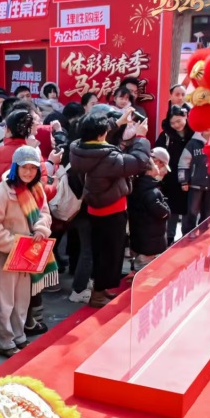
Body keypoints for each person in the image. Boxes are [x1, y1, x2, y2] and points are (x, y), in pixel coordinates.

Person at [70, 113, 151, 308]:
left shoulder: (78, 149)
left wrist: (118, 124)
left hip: (94, 209)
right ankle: (98, 294)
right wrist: (141, 137)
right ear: (100, 135)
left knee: (101, 252)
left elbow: (99, 139)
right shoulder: (108, 158)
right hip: (111, 210)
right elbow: (138, 162)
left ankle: (100, 288)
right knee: (110, 254)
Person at [0, 146, 54, 357]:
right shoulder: (3, 190)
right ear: (16, 167)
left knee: (22, 299)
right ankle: (4, 341)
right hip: (6, 254)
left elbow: (45, 213)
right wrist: (13, 243)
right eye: (24, 167)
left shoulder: (37, 189)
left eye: (33, 168)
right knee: (4, 301)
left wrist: (41, 229)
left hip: (27, 253)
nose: (28, 172)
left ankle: (19, 334)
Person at [0, 109, 50, 196]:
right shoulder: (34, 154)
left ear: (7, 129)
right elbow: (41, 190)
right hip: (27, 204)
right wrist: (54, 188)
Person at [179, 127, 210, 235]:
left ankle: (204, 232)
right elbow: (183, 163)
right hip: (195, 183)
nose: (206, 128)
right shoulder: (192, 144)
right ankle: (188, 233)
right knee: (192, 210)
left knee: (208, 210)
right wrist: (184, 181)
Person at [155, 107, 194, 244]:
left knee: (189, 207)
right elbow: (157, 152)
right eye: (173, 123)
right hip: (171, 176)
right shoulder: (166, 135)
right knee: (172, 207)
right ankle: (169, 237)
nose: (176, 125)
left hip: (190, 175)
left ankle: (186, 235)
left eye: (179, 121)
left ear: (186, 117)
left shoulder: (194, 133)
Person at [129, 148, 172, 271]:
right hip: (149, 243)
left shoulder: (137, 185)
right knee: (144, 270)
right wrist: (167, 211)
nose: (164, 172)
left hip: (140, 239)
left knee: (140, 266)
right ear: (155, 163)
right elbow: (163, 212)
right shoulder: (150, 191)